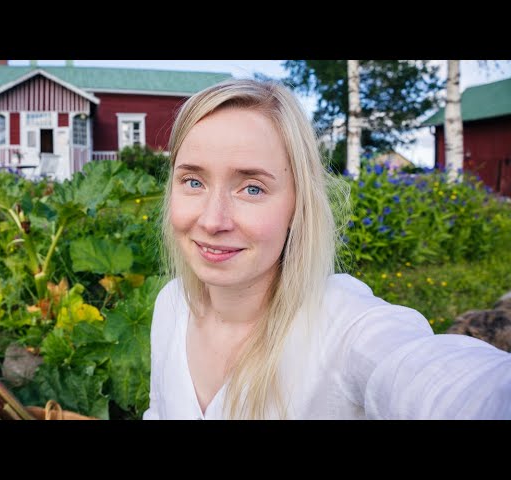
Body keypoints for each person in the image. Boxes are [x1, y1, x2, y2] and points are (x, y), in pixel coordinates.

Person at [142, 78, 511, 420]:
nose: (212, 220)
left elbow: (439, 379)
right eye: (193, 181)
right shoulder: (172, 305)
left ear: (298, 205)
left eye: (252, 188)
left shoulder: (341, 326)